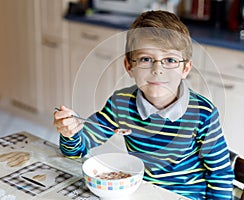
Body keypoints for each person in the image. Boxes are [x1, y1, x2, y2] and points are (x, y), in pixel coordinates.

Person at [54, 10, 234, 200]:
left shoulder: (203, 113)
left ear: (185, 68)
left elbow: (220, 175)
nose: (158, 70)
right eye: (146, 59)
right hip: (138, 192)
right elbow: (77, 150)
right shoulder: (120, 103)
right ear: (129, 66)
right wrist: (70, 133)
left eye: (170, 60)